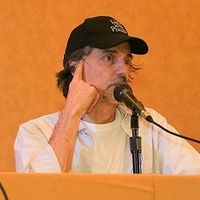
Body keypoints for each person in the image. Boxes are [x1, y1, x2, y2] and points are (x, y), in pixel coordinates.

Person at [14, 16, 200, 174]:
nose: (123, 71)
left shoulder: (149, 125)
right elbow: (40, 191)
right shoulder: (35, 132)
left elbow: (195, 180)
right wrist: (71, 112)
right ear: (75, 66)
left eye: (126, 60)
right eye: (109, 58)